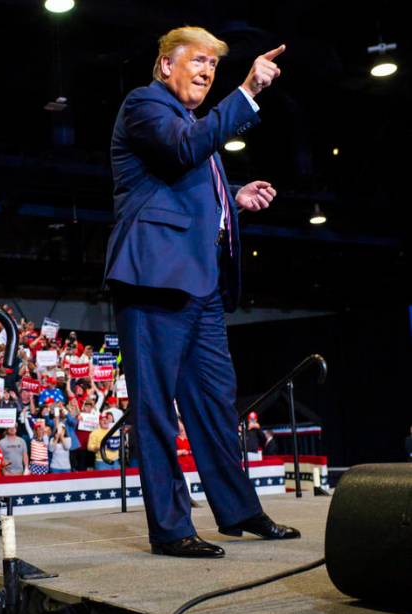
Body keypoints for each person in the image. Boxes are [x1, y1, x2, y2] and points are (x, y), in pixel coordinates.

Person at [104, 26, 299, 558]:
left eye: (215, 65)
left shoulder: (193, 123)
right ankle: (170, 529)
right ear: (166, 63)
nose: (208, 72)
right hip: (153, 281)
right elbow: (181, 152)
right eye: (199, 60)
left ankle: (239, 512)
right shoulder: (145, 104)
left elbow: (187, 186)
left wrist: (233, 197)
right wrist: (248, 92)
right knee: (156, 413)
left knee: (215, 406)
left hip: (201, 287)